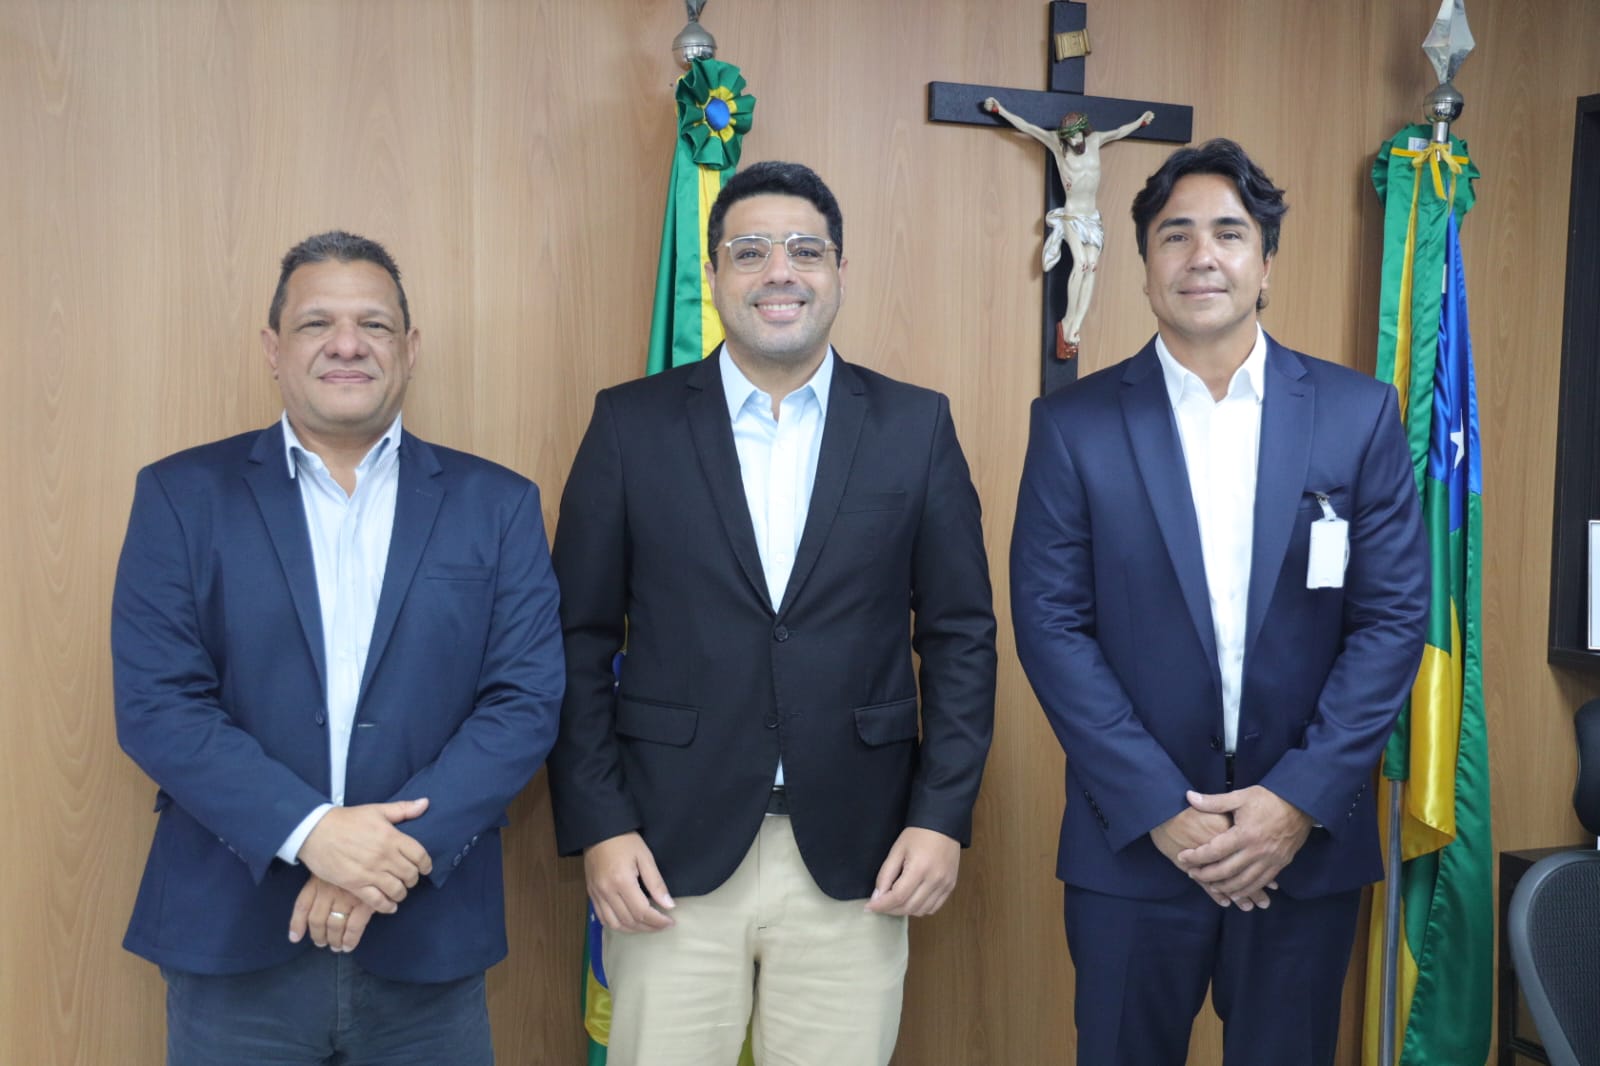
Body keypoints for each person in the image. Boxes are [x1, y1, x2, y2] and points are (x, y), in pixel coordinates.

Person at [548, 160, 996, 1066]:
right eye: (750, 252)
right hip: (666, 854)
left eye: (805, 250)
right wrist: (600, 824)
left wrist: (941, 816)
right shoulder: (630, 425)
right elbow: (576, 639)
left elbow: (960, 638)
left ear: (840, 271)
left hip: (860, 856)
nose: (779, 271)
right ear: (714, 275)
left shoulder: (916, 427)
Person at [1009, 139, 1429, 1066]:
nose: (1203, 255)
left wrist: (1296, 801)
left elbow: (1394, 619)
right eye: (1176, 235)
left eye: (1230, 234)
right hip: (1134, 843)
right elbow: (1050, 625)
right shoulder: (1074, 425)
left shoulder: (1358, 415)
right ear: (1145, 266)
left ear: (1266, 263)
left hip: (1304, 846)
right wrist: (1161, 804)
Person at [112, 230, 565, 1066]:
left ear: (410, 348)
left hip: (428, 942)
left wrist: (390, 857)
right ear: (273, 349)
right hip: (234, 943)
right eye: (317, 323)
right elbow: (157, 705)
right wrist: (312, 832)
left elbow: (525, 703)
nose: (347, 344)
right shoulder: (180, 496)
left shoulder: (497, 504)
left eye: (374, 325)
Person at [983, 98, 1153, 359]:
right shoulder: (1057, 144)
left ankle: (1075, 327)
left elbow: (1119, 131)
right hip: (1072, 216)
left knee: (1092, 267)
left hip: (1092, 217)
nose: (1074, 141)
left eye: (1076, 135)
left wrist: (1140, 122)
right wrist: (1000, 110)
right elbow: (1028, 127)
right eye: (1069, 137)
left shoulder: (1095, 140)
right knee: (1081, 264)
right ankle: (1066, 320)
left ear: (1084, 131)